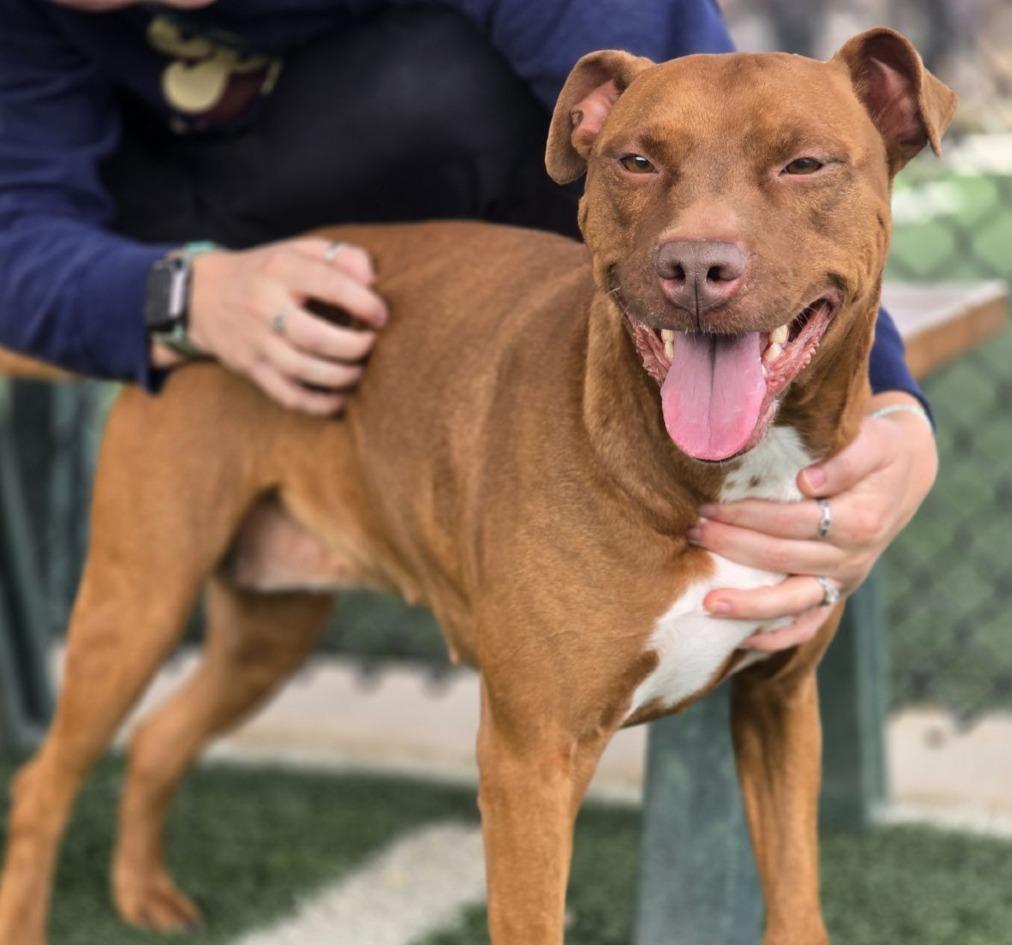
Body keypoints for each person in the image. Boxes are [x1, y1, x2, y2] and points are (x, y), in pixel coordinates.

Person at [0, 0, 938, 652]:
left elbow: (718, 134)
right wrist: (180, 294)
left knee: (442, 87)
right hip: (204, 272)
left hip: (525, 295)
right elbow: (14, 235)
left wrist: (890, 403)